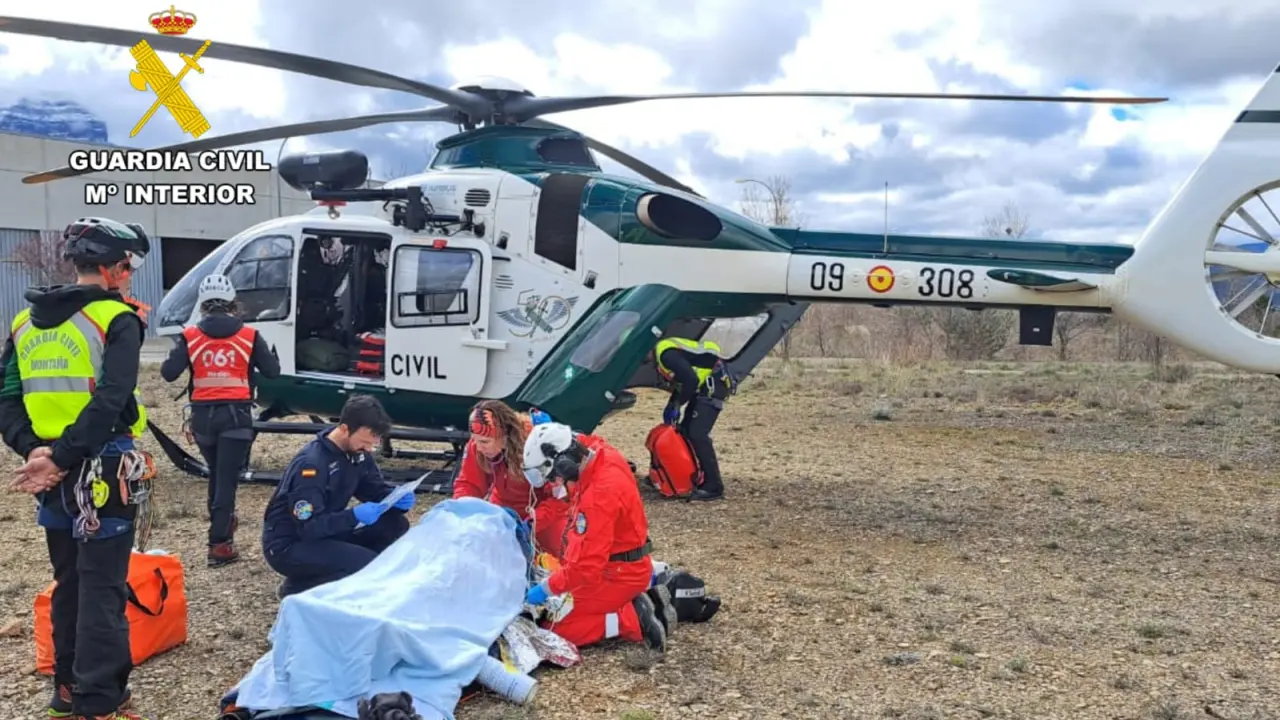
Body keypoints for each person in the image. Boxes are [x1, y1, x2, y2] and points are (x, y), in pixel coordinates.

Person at [0, 217, 152, 720]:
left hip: (52, 475)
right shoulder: (117, 318)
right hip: (101, 469)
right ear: (112, 268)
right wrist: (61, 457)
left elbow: (7, 397)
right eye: (128, 267)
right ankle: (100, 702)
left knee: (69, 583)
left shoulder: (24, 323)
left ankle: (65, 691)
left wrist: (35, 453)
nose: (128, 276)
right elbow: (112, 399)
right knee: (103, 588)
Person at [160, 274, 280, 568]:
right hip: (236, 417)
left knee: (216, 473)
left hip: (202, 419)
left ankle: (222, 525)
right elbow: (272, 371)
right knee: (226, 479)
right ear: (232, 302)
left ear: (202, 304)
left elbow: (168, 373)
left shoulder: (190, 336)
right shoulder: (250, 336)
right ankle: (219, 543)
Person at [520, 422, 669, 653]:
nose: (554, 484)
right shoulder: (601, 456)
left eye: (553, 478)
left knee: (554, 627)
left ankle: (629, 618)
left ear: (565, 466)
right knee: (558, 602)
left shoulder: (597, 498)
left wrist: (545, 589)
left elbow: (585, 568)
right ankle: (631, 601)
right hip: (620, 564)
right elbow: (586, 439)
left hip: (616, 575)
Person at [261, 394, 415, 598]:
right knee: (365, 563)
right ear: (344, 429)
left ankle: (349, 574)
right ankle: (298, 588)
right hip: (292, 543)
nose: (369, 448)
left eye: (373, 443)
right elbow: (309, 526)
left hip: (326, 531)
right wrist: (353, 516)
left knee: (395, 525)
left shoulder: (357, 453)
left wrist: (396, 498)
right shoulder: (311, 465)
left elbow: (374, 490)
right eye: (365, 442)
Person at [453, 400, 571, 557]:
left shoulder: (536, 444)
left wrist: (532, 523)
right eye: (475, 440)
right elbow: (469, 484)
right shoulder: (479, 442)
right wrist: (463, 510)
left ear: (503, 434)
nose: (479, 448)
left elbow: (560, 498)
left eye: (485, 442)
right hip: (503, 513)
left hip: (543, 515)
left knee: (564, 554)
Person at [652, 336, 734, 501]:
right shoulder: (665, 352)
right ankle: (680, 475)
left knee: (698, 434)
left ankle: (714, 486)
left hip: (713, 385)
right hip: (706, 386)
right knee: (685, 430)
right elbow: (684, 380)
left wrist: (677, 404)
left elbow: (691, 379)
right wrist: (673, 403)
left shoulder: (666, 354)